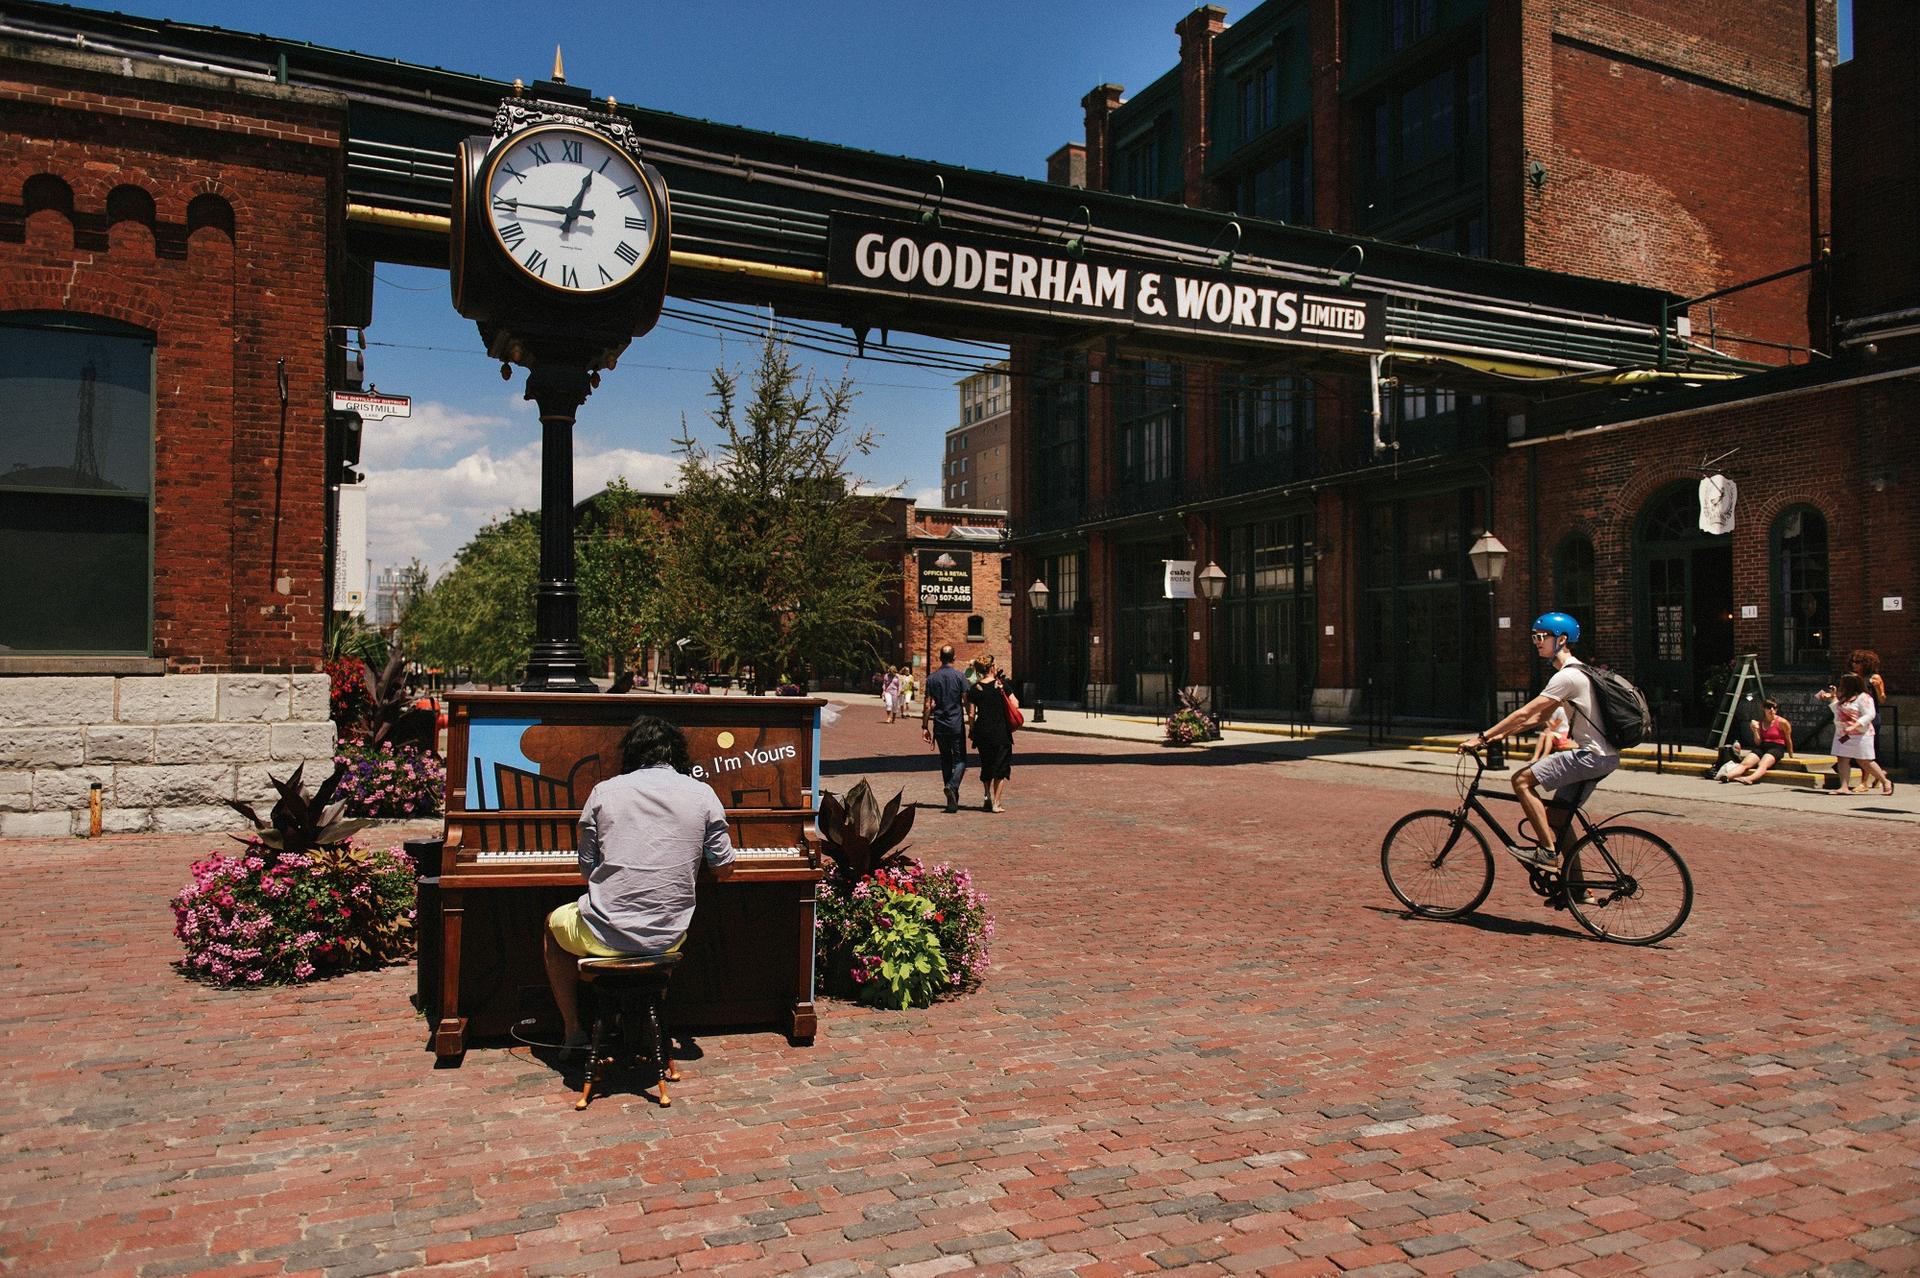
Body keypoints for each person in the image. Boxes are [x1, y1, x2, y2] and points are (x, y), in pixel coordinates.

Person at [543, 715, 736, 1059]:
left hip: (606, 936)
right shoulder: (704, 794)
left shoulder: (603, 792)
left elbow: (587, 869)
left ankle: (574, 1031)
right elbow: (723, 867)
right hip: (668, 937)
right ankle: (645, 1022)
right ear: (677, 755)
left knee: (552, 926)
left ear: (631, 754)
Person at [1460, 611, 1619, 866]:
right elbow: (1536, 719)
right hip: (1605, 758)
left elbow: (1526, 711)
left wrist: (1481, 737)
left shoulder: (1567, 676)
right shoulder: (1579, 672)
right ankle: (1578, 889)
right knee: (1558, 818)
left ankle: (1547, 851)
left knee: (1521, 780)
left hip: (1591, 757)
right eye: (1534, 637)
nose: (1536, 642)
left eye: (1542, 637)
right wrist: (1496, 737)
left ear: (1562, 639)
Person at [1818, 673, 1894, 796]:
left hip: (1861, 734)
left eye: (1844, 683)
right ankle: (1844, 786)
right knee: (1842, 758)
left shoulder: (1864, 697)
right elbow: (1837, 711)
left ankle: (1885, 781)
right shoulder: (1844, 697)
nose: (1841, 686)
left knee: (1864, 760)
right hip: (1843, 734)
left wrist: (1855, 725)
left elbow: (1870, 714)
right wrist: (1832, 698)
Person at [921, 644, 970, 813]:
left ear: (940, 658)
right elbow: (966, 701)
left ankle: (951, 797)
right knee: (961, 760)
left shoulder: (932, 679)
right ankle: (952, 785)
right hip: (956, 724)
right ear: (954, 658)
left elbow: (927, 705)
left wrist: (924, 726)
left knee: (945, 760)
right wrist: (971, 720)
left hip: (940, 725)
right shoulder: (960, 677)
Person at [965, 655, 1016, 812]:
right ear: (991, 667)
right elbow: (1016, 703)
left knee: (986, 764)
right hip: (1001, 731)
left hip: (983, 731)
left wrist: (972, 729)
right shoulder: (1001, 685)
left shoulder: (975, 688)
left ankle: (986, 795)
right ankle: (997, 803)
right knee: (1001, 767)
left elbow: (971, 714)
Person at [1720, 699, 1794, 785]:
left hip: (1776, 747)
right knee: (1745, 763)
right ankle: (1728, 776)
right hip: (1763, 746)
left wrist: (1791, 755)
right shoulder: (1760, 722)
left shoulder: (1783, 722)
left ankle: (1750, 778)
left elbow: (1788, 739)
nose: (1772, 710)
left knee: (1763, 763)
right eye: (1769, 708)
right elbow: (1758, 742)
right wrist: (1755, 731)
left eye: (1774, 708)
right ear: (1764, 709)